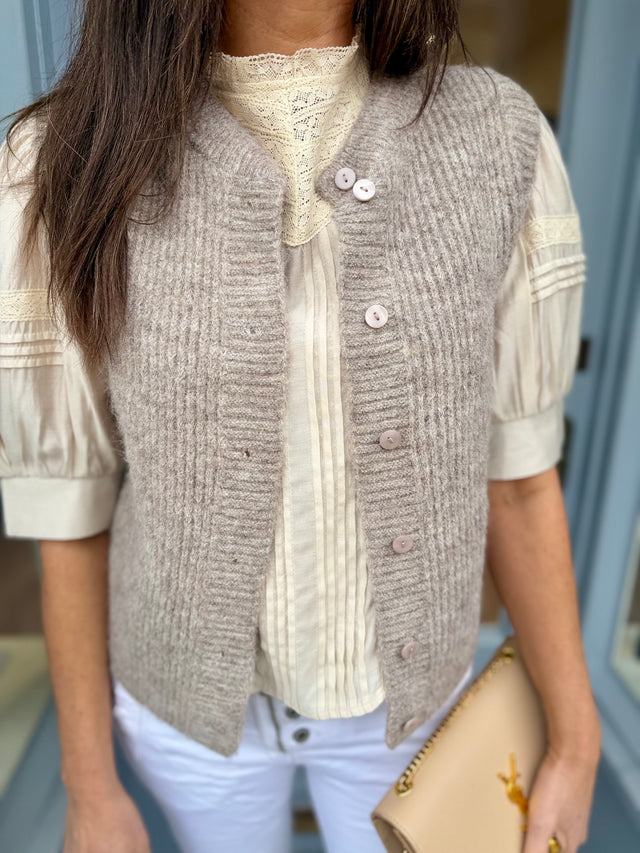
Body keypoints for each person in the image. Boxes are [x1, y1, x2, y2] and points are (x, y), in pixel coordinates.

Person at [0, 1, 601, 852]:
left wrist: (576, 737)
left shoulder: (496, 136)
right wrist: (90, 787)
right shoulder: (66, 157)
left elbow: (522, 482)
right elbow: (69, 504)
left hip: (413, 714)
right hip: (185, 717)